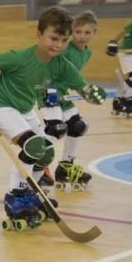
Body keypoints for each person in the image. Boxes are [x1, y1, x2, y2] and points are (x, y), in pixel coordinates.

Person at [0, 6, 106, 229]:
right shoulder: (20, 58)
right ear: (39, 34)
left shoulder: (61, 64)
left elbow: (81, 86)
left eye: (63, 40)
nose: (58, 45)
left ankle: (31, 192)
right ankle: (15, 195)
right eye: (53, 38)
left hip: (24, 108)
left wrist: (91, 94)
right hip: (1, 106)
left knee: (46, 152)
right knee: (34, 146)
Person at [40, 10, 97, 192]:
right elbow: (50, 67)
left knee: (78, 126)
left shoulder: (86, 53)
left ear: (94, 33)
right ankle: (38, 167)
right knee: (55, 129)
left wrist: (88, 93)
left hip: (63, 95)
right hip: (49, 92)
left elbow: (73, 77)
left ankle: (66, 166)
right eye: (78, 32)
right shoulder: (66, 50)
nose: (82, 36)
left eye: (87, 33)